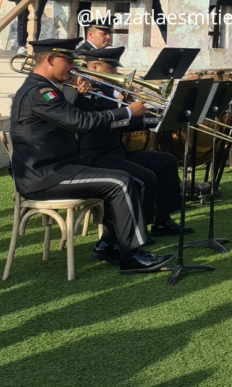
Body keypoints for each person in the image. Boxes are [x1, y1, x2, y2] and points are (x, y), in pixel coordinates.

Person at [9, 37, 172, 273]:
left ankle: (110, 244)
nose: (74, 66)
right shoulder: (40, 92)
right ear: (52, 59)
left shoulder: (47, 90)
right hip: (45, 175)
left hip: (60, 169)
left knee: (128, 177)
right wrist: (127, 111)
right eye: (69, 60)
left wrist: (84, 99)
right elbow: (81, 123)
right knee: (121, 180)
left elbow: (72, 120)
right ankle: (131, 256)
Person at [74, 46, 190, 264]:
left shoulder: (107, 90)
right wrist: (132, 112)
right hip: (95, 157)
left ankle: (161, 220)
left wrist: (157, 119)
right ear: (95, 67)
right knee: (145, 178)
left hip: (116, 152)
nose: (117, 73)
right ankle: (128, 238)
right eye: (112, 68)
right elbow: (105, 123)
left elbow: (121, 124)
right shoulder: (87, 92)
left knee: (166, 161)